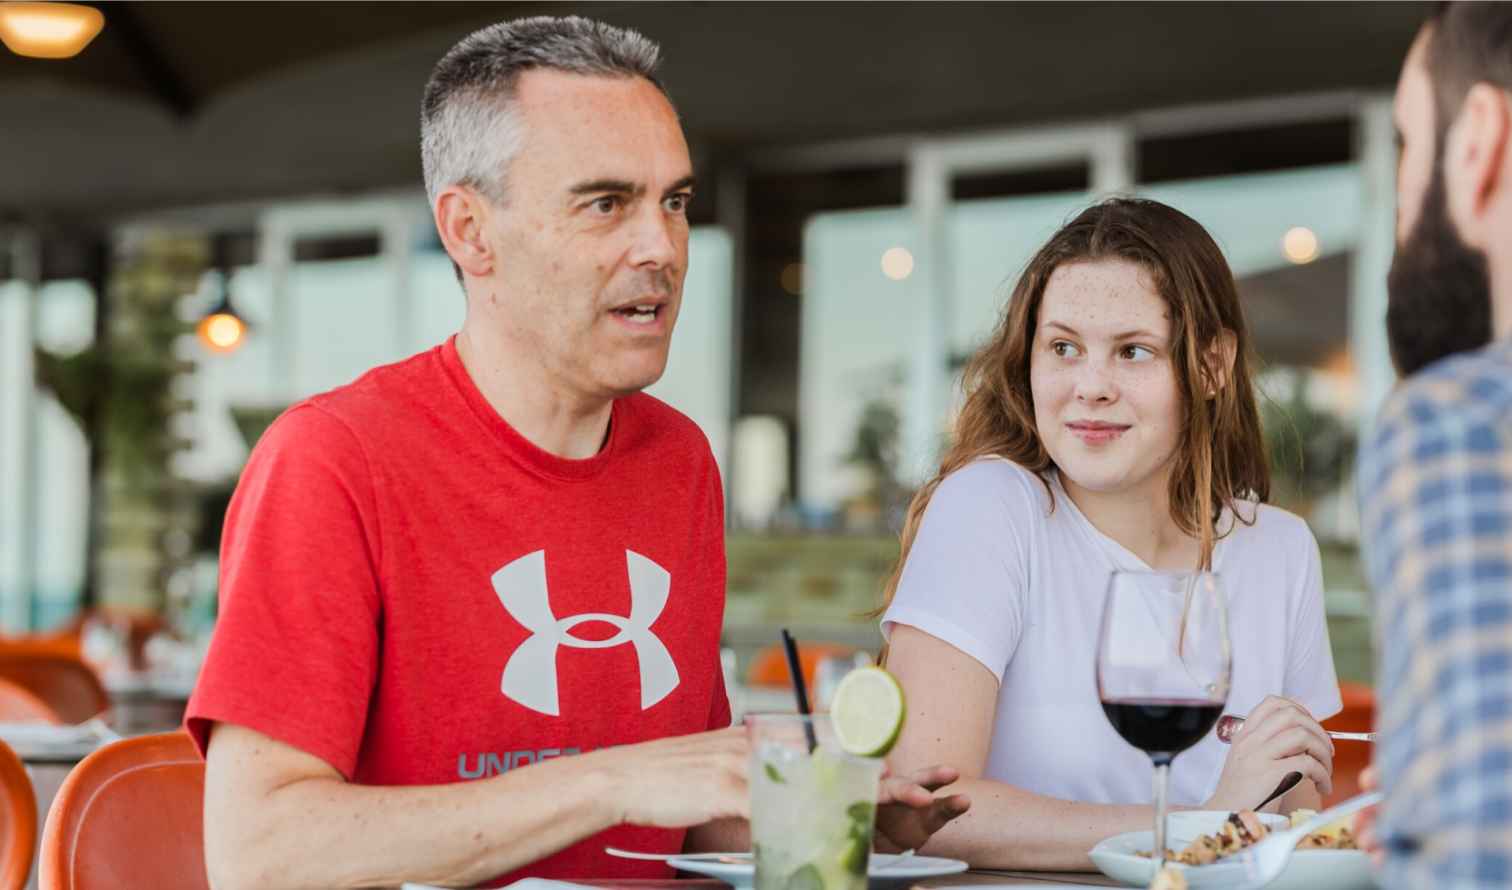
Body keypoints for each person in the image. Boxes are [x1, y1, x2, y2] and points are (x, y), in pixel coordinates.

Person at [186, 16, 967, 890]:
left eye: (674, 201)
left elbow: (681, 817)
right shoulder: (333, 458)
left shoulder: (679, 462)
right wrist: (609, 780)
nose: (661, 248)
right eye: (606, 203)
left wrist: (826, 806)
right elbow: (257, 855)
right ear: (470, 231)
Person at [878, 197, 1342, 870]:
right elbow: (920, 810)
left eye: (1133, 351)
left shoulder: (1281, 550)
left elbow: (1293, 828)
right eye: (1063, 347)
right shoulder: (991, 508)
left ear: (1210, 366)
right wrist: (1198, 826)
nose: (1090, 386)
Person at [1351, 3, 1512, 886]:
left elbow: (1480, 862)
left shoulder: (1459, 423)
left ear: (1478, 138)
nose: (1404, 194)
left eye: (1410, 145)